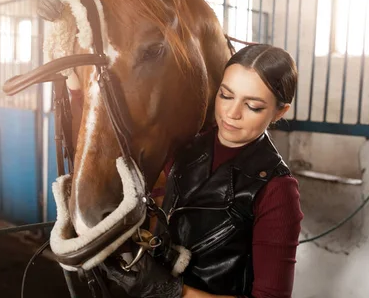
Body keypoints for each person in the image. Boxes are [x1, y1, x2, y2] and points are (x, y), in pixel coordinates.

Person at [98, 43, 304, 298]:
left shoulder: (277, 190)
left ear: (279, 112)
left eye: (253, 106)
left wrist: (171, 292)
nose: (231, 113)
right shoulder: (185, 148)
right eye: (226, 95)